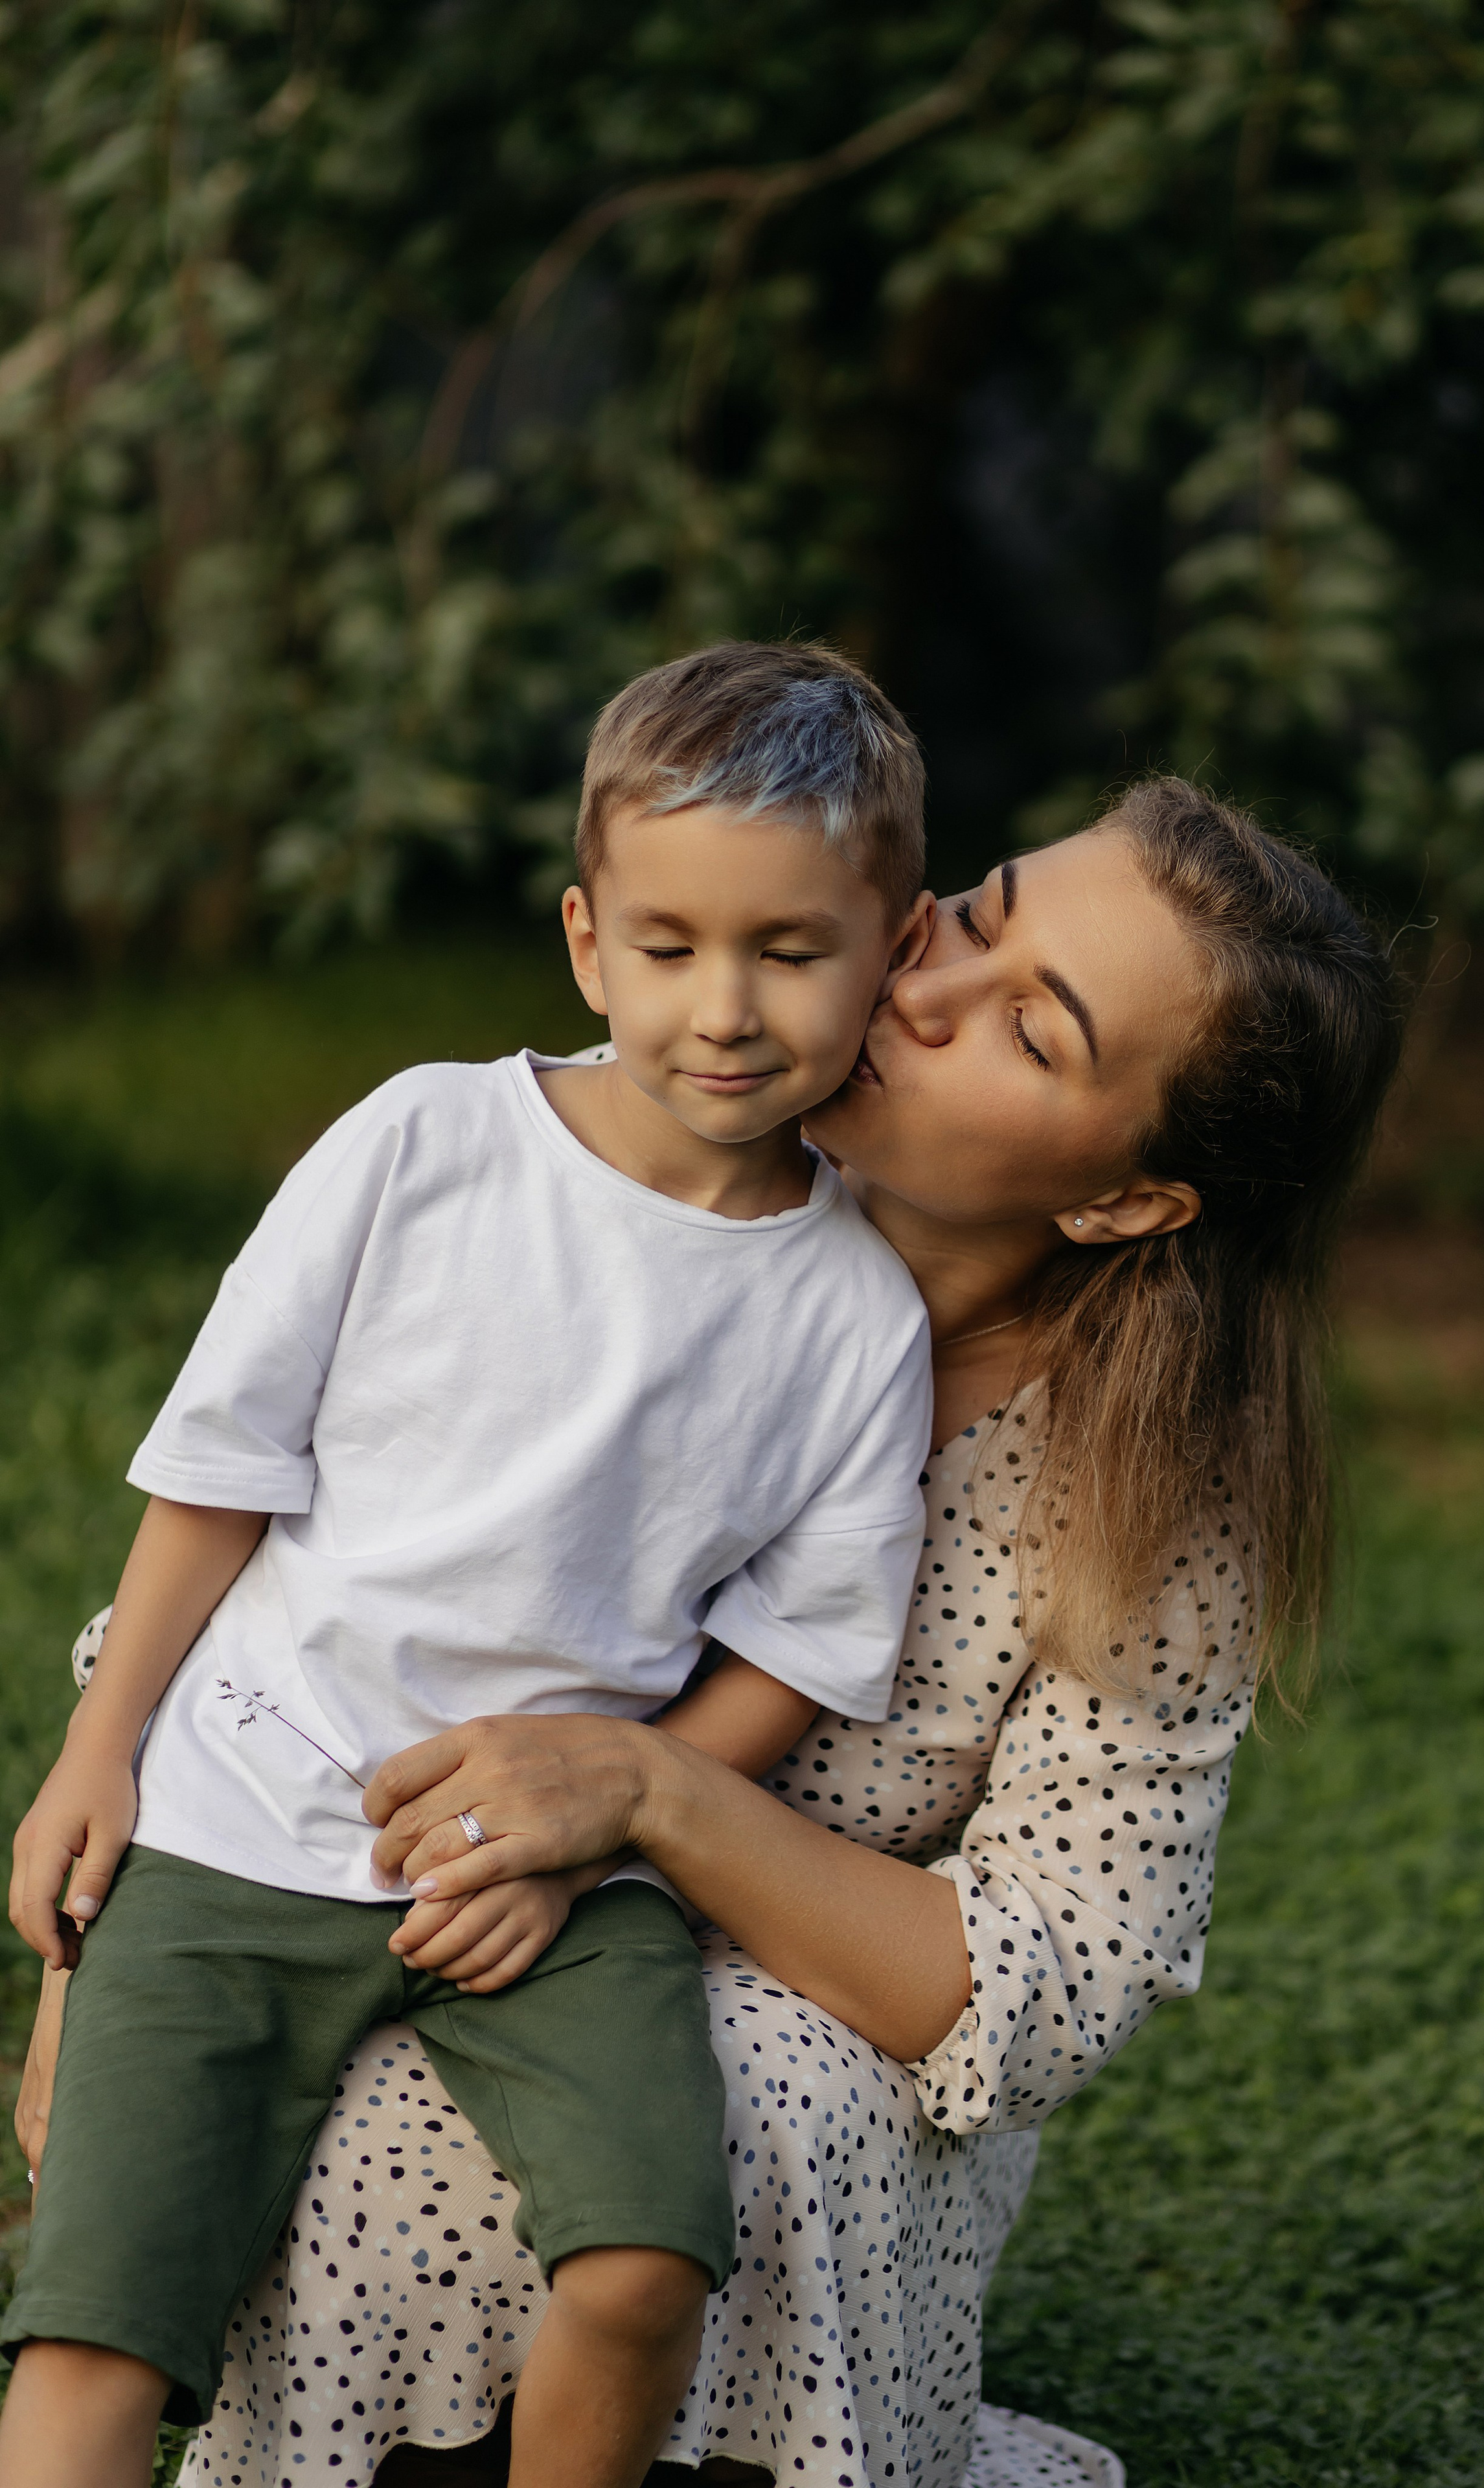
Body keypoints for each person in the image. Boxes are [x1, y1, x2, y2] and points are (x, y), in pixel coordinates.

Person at [17, 776, 1402, 2488]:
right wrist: (136, 1931)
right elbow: (322, 1572)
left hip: (822, 2008)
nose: (922, 987)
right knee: (302, 2107)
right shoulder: (620, 1167)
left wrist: (653, 1799)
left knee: (732, 2110)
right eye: (975, 912)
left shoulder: (1150, 1496)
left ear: (1127, 1200)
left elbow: (1040, 1975)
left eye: (1031, 1035)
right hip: (383, 1859)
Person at [1, 642, 953, 2488]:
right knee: (97, 2325)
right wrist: (100, 1749)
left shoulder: (855, 1311)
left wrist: (601, 1829)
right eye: (670, 949)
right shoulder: (426, 1141)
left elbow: (802, 1649)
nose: (727, 1009)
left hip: (546, 1871)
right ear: (589, 942)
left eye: (791, 949)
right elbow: (221, 1474)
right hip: (235, 1811)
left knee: (648, 2248)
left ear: (895, 950)